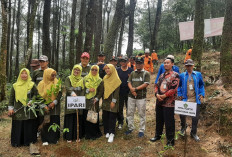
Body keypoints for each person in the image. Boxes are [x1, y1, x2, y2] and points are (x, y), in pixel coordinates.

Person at [150, 57, 180, 147]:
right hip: (159, 101)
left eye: (168, 63)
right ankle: (157, 135)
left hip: (169, 103)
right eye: (164, 63)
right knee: (159, 119)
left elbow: (174, 89)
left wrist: (164, 95)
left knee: (169, 121)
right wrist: (156, 94)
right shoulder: (161, 75)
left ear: (172, 64)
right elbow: (156, 85)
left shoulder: (175, 75)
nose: (166, 64)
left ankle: (170, 140)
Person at [8, 68, 38, 147]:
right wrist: (10, 108)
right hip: (18, 110)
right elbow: (11, 99)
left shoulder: (32, 84)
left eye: (26, 73)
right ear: (19, 75)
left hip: (29, 109)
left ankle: (28, 141)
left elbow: (37, 95)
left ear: (28, 75)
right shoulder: (15, 85)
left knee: (28, 124)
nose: (24, 75)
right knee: (18, 124)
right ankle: (17, 142)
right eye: (22, 73)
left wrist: (32, 101)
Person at [178, 59, 205, 141]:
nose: (189, 67)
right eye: (187, 65)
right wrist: (179, 94)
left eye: (190, 65)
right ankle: (183, 127)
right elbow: (179, 86)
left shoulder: (198, 74)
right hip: (185, 99)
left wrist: (202, 94)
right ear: (185, 66)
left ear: (193, 65)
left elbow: (201, 85)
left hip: (195, 99)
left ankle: (193, 132)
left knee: (195, 117)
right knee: (182, 115)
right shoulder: (182, 75)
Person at [94, 64, 121, 143]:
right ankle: (107, 131)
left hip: (113, 100)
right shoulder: (105, 78)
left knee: (112, 117)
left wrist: (114, 101)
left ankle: (112, 133)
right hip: (105, 100)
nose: (107, 70)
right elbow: (101, 91)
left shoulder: (116, 78)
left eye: (108, 68)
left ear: (112, 69)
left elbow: (116, 92)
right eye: (106, 69)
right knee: (105, 116)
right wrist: (97, 98)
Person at [125, 57, 150, 137]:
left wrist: (135, 89)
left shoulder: (146, 73)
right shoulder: (133, 73)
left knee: (141, 113)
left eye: (140, 63)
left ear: (143, 64)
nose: (138, 65)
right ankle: (130, 127)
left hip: (141, 97)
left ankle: (141, 130)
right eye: (137, 63)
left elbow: (146, 84)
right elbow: (129, 82)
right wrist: (132, 90)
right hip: (131, 96)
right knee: (129, 112)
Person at [37, 68, 62, 145]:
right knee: (45, 122)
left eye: (55, 75)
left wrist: (54, 102)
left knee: (54, 120)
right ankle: (45, 139)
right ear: (47, 75)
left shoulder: (57, 82)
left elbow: (59, 94)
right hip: (44, 106)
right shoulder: (41, 84)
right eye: (52, 75)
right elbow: (38, 96)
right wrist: (44, 105)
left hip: (55, 105)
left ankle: (55, 138)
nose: (54, 76)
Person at [63, 65, 85, 142]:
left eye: (78, 70)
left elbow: (83, 89)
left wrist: (79, 98)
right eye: (75, 69)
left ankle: (77, 136)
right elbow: (67, 87)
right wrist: (72, 93)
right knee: (70, 118)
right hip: (70, 101)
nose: (76, 71)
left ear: (80, 72)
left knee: (77, 118)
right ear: (72, 70)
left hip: (78, 101)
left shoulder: (82, 80)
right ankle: (68, 137)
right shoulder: (68, 78)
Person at [83, 65, 103, 140]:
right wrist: (88, 90)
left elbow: (101, 91)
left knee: (93, 116)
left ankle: (93, 134)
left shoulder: (100, 80)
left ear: (98, 71)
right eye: (92, 69)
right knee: (86, 116)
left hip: (95, 101)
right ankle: (87, 133)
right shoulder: (85, 78)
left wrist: (97, 98)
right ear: (90, 70)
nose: (94, 71)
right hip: (86, 100)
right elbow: (83, 89)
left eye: (96, 70)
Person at [116, 56, 133, 129]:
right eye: (122, 61)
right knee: (119, 108)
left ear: (127, 62)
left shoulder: (130, 70)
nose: (123, 63)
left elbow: (133, 80)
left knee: (129, 108)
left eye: (124, 61)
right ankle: (120, 122)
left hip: (128, 92)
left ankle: (129, 122)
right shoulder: (117, 70)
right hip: (119, 92)